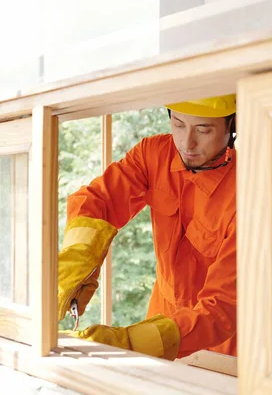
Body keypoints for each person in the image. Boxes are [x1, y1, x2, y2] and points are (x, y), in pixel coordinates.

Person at [58, 95, 238, 361]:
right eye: (178, 124)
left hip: (222, 345)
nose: (187, 143)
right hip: (159, 322)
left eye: (203, 129)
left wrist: (127, 343)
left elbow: (224, 305)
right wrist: (76, 264)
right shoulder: (153, 155)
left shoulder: (248, 188)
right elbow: (97, 201)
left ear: (232, 126)